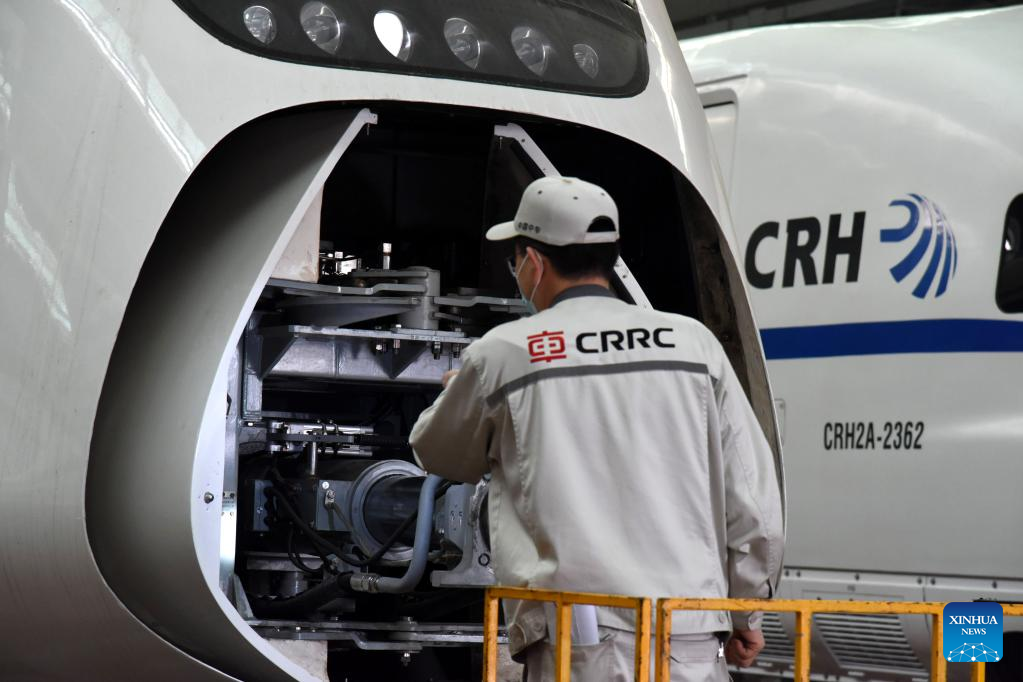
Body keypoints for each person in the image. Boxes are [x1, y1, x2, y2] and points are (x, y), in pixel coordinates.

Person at [410, 176, 784, 681]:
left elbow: (438, 453)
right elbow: (755, 505)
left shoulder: (506, 353)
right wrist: (746, 612)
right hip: (691, 633)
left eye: (515, 262)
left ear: (534, 262)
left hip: (579, 638)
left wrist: (458, 391)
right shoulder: (694, 346)